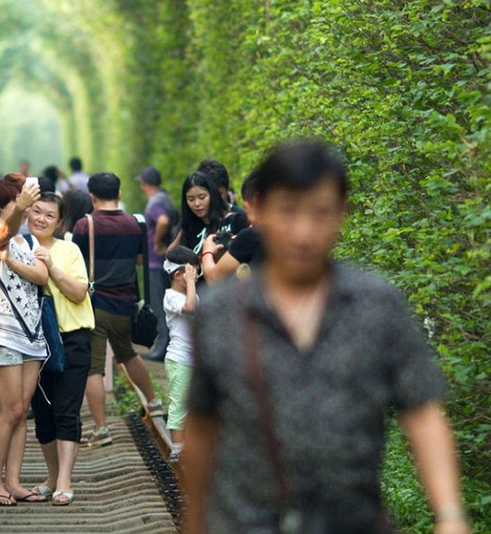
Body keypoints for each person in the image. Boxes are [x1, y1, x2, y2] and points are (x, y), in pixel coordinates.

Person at [182, 141, 470, 534]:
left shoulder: (376, 304)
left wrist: (450, 515)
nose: (303, 232)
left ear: (341, 214)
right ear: (260, 210)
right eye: (288, 211)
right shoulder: (221, 314)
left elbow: (421, 410)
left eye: (320, 213)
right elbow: (202, 428)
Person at [72, 172, 163, 448]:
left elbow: (75, 263)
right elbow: (138, 259)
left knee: (93, 369)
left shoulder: (83, 225)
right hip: (125, 304)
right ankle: (155, 402)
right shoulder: (134, 224)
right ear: (119, 194)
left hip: (96, 305)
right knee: (128, 353)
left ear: (92, 197)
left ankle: (101, 429)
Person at [0, 173, 48, 506]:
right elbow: (3, 236)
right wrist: (20, 207)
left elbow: (42, 277)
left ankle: (15, 482)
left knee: (23, 411)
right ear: (6, 202)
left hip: (32, 335)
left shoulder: (29, 242)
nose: (29, 204)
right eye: (20, 198)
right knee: (11, 410)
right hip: (3, 332)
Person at [28, 193, 95, 506]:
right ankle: (52, 476)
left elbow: (79, 292)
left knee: (67, 410)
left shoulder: (69, 250)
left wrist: (51, 266)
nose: (41, 219)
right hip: (34, 343)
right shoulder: (18, 246)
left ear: (59, 222)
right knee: (43, 413)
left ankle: (65, 481)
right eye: (36, 211)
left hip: (72, 339)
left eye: (49, 215)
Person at [137, 166, 179, 361]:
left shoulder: (154, 202)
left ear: (144, 184)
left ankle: (162, 349)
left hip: (155, 262)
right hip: (166, 262)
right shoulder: (166, 198)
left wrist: (156, 243)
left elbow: (162, 221)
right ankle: (166, 346)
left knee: (159, 305)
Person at [161, 246, 199, 462]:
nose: (196, 277)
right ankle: (177, 447)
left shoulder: (190, 294)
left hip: (194, 360)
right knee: (180, 402)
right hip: (179, 359)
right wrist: (192, 284)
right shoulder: (171, 297)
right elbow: (190, 308)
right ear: (178, 275)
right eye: (193, 272)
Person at [168, 171, 246, 264]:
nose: (197, 204)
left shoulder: (234, 221)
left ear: (212, 195)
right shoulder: (189, 227)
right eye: (191, 199)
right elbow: (170, 258)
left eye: (202, 197)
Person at [200, 171, 264, 283]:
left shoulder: (251, 236)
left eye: (246, 208)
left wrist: (207, 251)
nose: (247, 217)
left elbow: (213, 278)